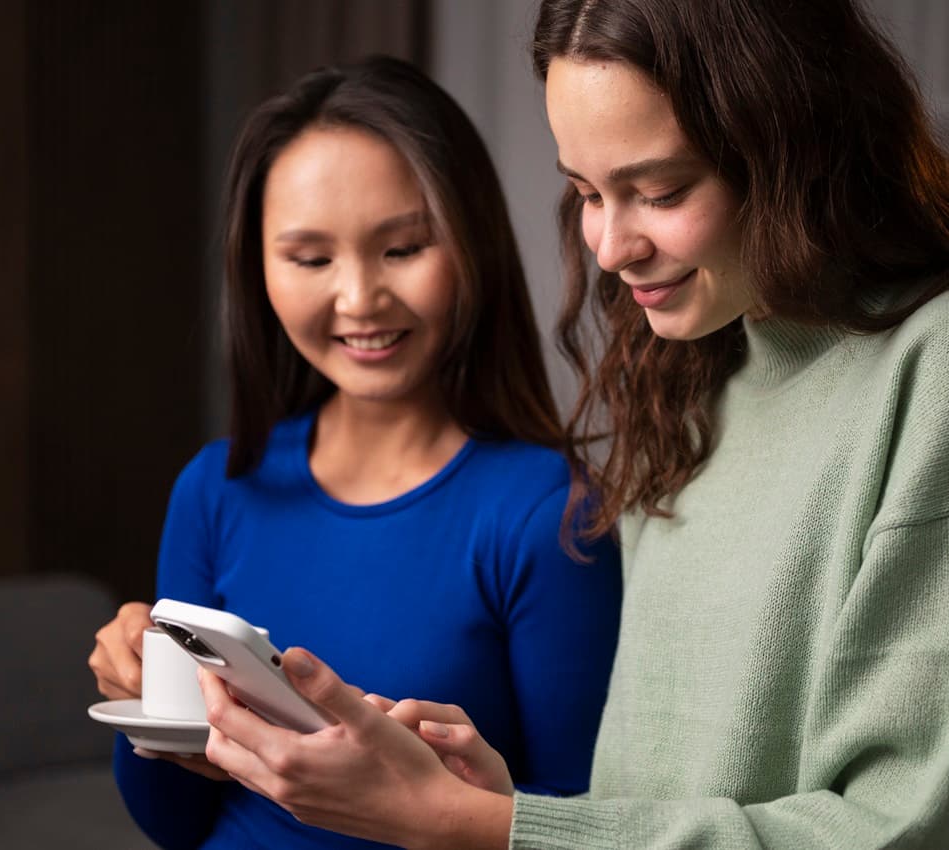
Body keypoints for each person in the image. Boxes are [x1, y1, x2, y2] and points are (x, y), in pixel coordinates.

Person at [190, 2, 949, 848]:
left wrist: (489, 828)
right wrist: (511, 805)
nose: (609, 245)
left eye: (662, 191)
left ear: (791, 143)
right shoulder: (693, 361)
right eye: (589, 192)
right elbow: (670, 794)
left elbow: (908, 829)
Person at [86, 55, 622, 850]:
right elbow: (172, 823)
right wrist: (146, 713)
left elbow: (577, 827)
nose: (360, 299)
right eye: (310, 259)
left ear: (470, 244)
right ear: (258, 270)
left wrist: (427, 799)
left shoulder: (548, 515)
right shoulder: (216, 490)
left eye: (402, 248)